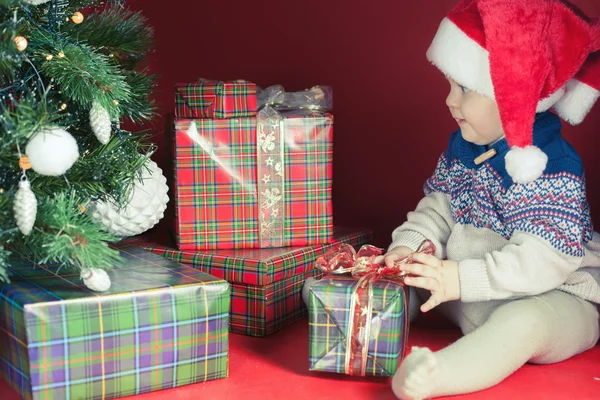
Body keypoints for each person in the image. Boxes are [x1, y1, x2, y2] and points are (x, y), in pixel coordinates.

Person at [379, 1, 600, 399]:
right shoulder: (465, 149)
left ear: (516, 93)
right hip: (466, 293)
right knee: (407, 278)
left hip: (550, 294)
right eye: (450, 85)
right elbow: (437, 210)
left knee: (525, 322)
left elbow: (542, 262)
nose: (450, 100)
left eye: (464, 88)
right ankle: (358, 309)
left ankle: (438, 374)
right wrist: (410, 249)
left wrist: (458, 278)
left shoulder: (551, 169)